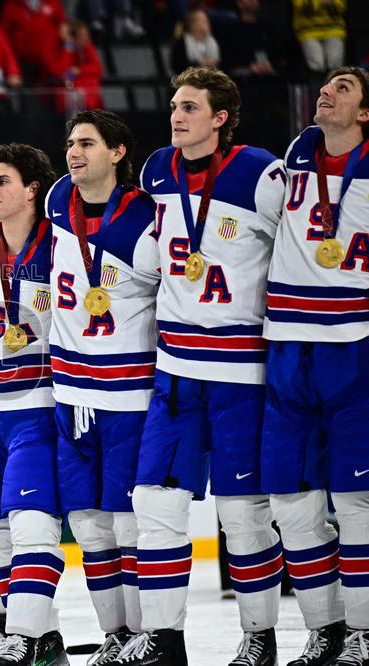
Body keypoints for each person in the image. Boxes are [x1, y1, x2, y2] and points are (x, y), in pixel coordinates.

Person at [121, 66, 286, 665]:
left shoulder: (260, 172)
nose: (176, 115)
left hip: (243, 371)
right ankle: (164, 640)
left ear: (220, 117)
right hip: (175, 371)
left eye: (190, 107)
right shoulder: (156, 169)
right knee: (155, 507)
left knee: (243, 517)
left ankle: (259, 639)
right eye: (173, 105)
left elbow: (299, 242)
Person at [262, 65, 369, 666]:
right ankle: (324, 632)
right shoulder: (298, 151)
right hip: (286, 350)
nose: (326, 92)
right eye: (326, 86)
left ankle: (364, 632)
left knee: (357, 503)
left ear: (365, 114)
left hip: (353, 348)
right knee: (291, 502)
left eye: (344, 89)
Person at [46, 110, 160, 664]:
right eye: (70, 143)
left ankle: (143, 632)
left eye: (87, 143)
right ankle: (115, 634)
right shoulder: (55, 201)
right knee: (89, 525)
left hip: (128, 394)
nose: (74, 152)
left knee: (128, 519)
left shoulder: (148, 217)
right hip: (69, 393)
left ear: (117, 153)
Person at [0, 144, 65, 666]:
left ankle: (20, 636)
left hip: (37, 404)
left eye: (2, 182)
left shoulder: (61, 241)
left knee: (31, 520)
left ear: (32, 191)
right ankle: (43, 638)